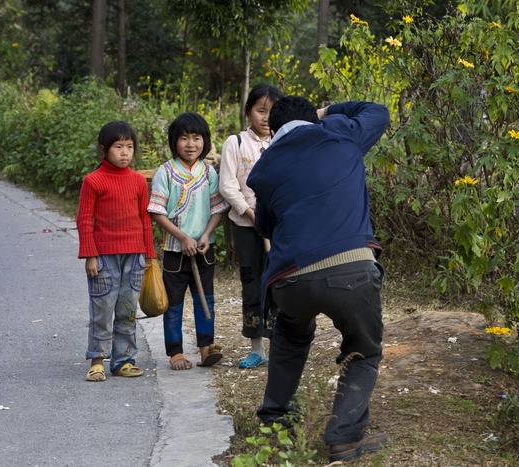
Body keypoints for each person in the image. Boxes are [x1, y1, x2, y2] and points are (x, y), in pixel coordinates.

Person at [246, 97, 391, 463]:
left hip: (291, 279)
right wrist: (328, 112)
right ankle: (343, 437)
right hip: (351, 269)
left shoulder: (265, 168)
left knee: (290, 337)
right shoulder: (340, 134)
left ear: (273, 132)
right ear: (315, 119)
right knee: (364, 348)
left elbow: (264, 225)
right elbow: (377, 111)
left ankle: (275, 422)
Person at [147, 112, 229, 370]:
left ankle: (206, 348)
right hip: (174, 250)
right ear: (174, 142)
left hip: (205, 248)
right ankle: (175, 353)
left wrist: (205, 235)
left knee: (206, 299)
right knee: (174, 304)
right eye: (184, 138)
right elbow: (157, 212)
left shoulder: (208, 173)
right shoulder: (166, 172)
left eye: (197, 138)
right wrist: (182, 237)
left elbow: (218, 209)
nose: (191, 144)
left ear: (205, 142)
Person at [76, 121, 156, 382]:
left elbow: (145, 220)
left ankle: (124, 359)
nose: (125, 153)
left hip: (134, 256)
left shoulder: (138, 182)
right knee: (102, 308)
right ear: (104, 149)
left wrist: (150, 256)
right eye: (118, 147)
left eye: (129, 147)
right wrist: (90, 254)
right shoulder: (93, 181)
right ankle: (97, 360)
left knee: (127, 309)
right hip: (103, 258)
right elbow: (85, 219)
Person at [219, 83, 283, 369]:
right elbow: (228, 186)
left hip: (279, 228)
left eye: (271, 112)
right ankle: (256, 347)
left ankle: (280, 344)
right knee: (252, 283)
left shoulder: (281, 143)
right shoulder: (236, 143)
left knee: (281, 282)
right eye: (260, 110)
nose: (266, 117)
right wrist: (251, 214)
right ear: (248, 111)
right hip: (247, 227)